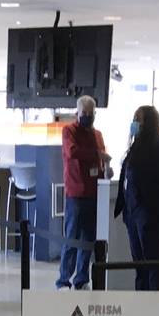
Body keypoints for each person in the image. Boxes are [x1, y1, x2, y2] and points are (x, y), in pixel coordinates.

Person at [114, 106, 159, 291]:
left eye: (138, 119)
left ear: (149, 123)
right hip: (132, 213)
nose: (134, 122)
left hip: (150, 215)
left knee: (154, 262)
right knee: (139, 262)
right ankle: (141, 304)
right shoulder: (135, 147)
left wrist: (157, 209)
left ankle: (156, 310)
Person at [56, 95, 110, 290]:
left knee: (88, 239)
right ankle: (63, 279)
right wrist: (96, 155)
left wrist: (106, 167)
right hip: (75, 193)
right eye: (83, 113)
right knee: (71, 237)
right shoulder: (68, 131)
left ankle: (81, 278)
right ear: (77, 113)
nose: (87, 116)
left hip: (94, 193)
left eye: (90, 113)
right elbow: (72, 152)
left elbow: (102, 157)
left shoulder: (98, 135)